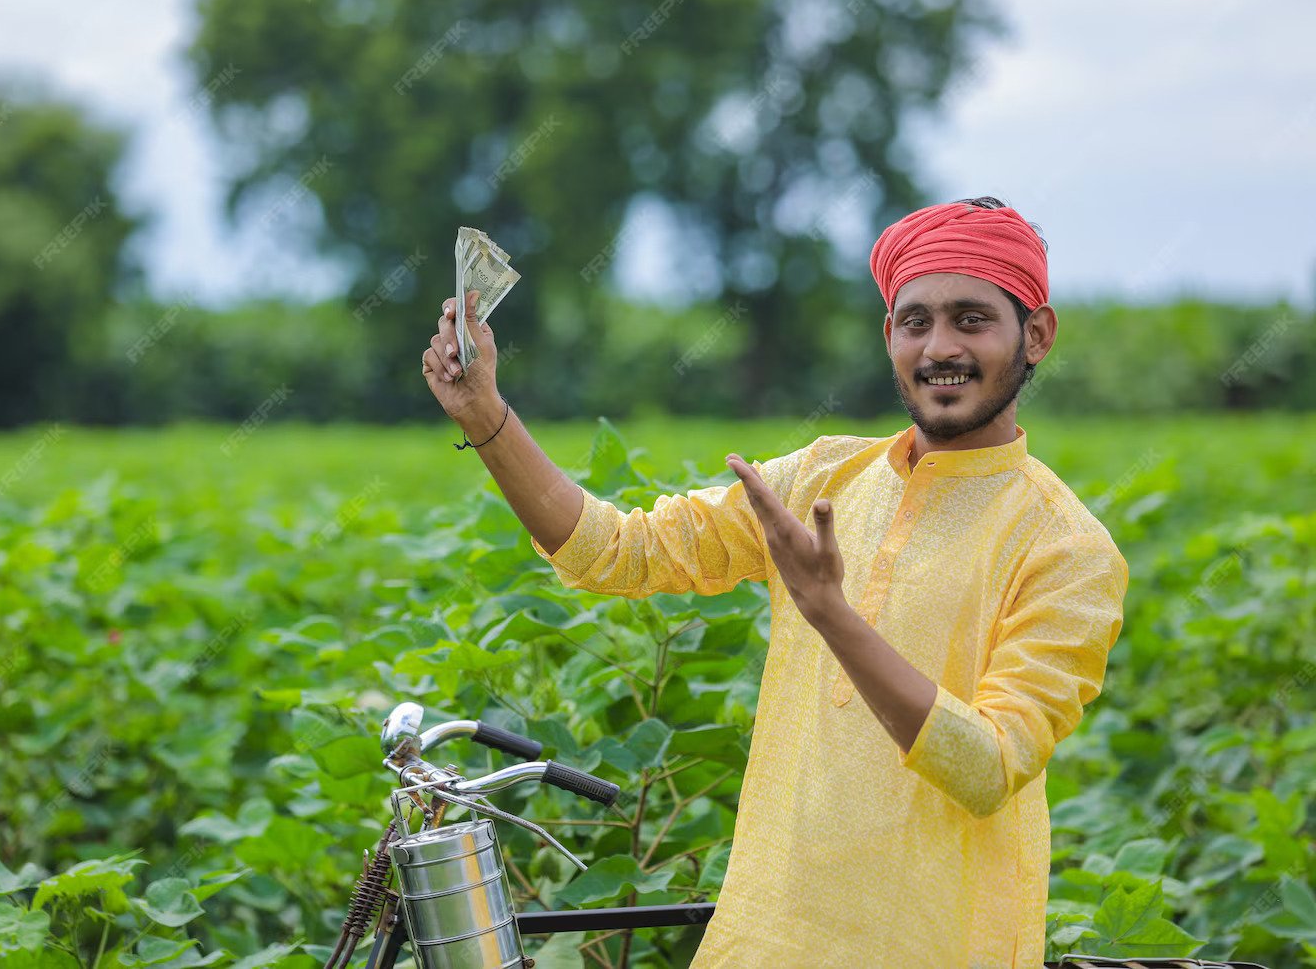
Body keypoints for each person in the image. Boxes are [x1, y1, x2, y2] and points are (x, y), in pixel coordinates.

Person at [420, 197, 1129, 967]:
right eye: (916, 321)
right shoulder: (828, 474)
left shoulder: (1066, 549)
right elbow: (614, 551)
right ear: (889, 335)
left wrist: (834, 614)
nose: (940, 348)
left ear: (1038, 335)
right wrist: (486, 415)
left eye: (972, 319)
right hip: (761, 941)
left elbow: (988, 766)